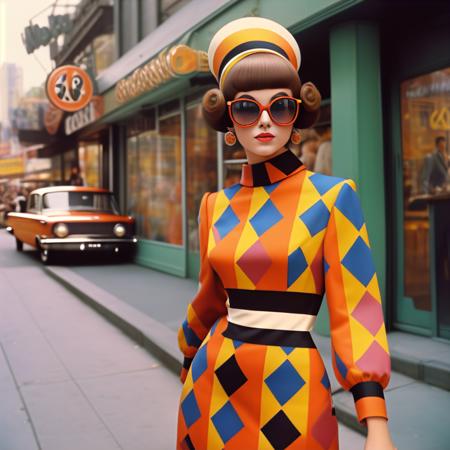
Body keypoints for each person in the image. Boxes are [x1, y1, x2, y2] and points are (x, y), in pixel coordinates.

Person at [177, 17, 395, 450]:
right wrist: (187, 358)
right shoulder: (213, 206)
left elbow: (358, 308)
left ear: (297, 115)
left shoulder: (332, 198)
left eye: (279, 106)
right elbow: (207, 301)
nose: (263, 121)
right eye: (245, 107)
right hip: (212, 382)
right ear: (228, 120)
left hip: (292, 383)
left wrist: (376, 421)